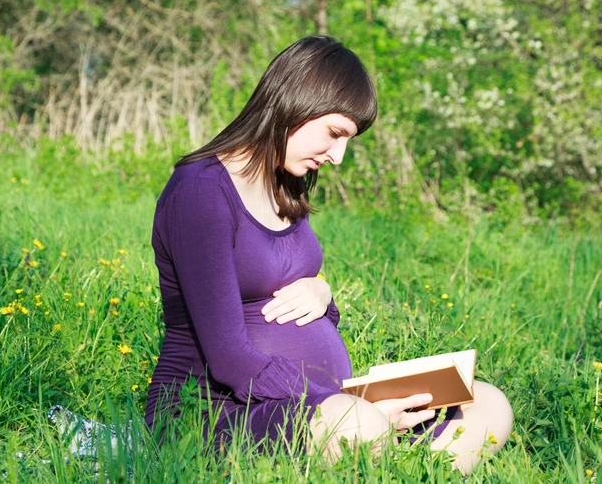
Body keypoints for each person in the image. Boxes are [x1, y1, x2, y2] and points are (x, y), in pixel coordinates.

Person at [144, 36, 512, 473]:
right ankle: (377, 450)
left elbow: (292, 292)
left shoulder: (283, 182)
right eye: (335, 133)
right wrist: (350, 403)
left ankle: (400, 468)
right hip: (214, 412)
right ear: (294, 103)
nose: (337, 156)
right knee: (358, 425)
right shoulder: (201, 193)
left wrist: (323, 294)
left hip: (317, 407)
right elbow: (228, 357)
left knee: (489, 404)